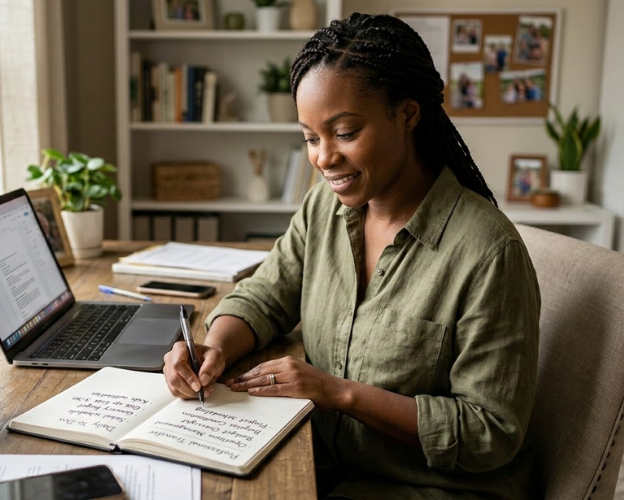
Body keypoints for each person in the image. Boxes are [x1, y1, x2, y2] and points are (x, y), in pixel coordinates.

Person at [163, 12, 540, 499]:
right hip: (323, 458)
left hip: (430, 486)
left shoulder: (488, 253)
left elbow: (490, 432)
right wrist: (214, 347)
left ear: (406, 114)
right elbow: (267, 293)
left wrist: (337, 393)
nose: (323, 157)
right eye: (310, 138)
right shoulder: (326, 206)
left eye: (343, 133)